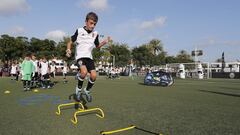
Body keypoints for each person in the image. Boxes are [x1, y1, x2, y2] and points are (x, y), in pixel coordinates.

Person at [66, 12, 111, 102]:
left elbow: (97, 46)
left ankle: (87, 90)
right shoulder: (79, 31)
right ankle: (78, 90)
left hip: (89, 58)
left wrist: (105, 41)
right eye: (91, 23)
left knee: (94, 76)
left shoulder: (95, 33)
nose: (93, 26)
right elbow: (70, 42)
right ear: (86, 22)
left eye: (94, 24)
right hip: (80, 57)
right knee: (84, 72)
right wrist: (68, 49)